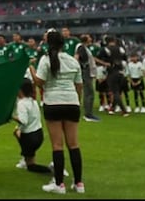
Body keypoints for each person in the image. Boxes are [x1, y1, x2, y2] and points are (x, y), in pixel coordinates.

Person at [34, 29, 85, 195]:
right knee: (74, 145)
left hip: (53, 102)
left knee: (57, 145)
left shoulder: (45, 60)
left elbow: (40, 82)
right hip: (72, 103)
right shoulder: (72, 60)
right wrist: (76, 100)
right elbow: (79, 85)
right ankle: (79, 183)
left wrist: (31, 70)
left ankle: (59, 184)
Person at [12, 78, 54, 175]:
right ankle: (25, 156)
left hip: (30, 137)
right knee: (17, 132)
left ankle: (52, 170)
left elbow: (23, 121)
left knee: (31, 166)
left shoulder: (22, 103)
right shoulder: (33, 101)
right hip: (39, 134)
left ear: (20, 90)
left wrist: (11, 117)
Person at [75, 34, 100, 122]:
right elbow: (78, 58)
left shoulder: (84, 48)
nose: (91, 38)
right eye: (89, 37)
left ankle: (89, 113)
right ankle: (88, 114)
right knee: (89, 93)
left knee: (89, 93)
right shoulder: (81, 47)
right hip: (85, 72)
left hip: (87, 72)